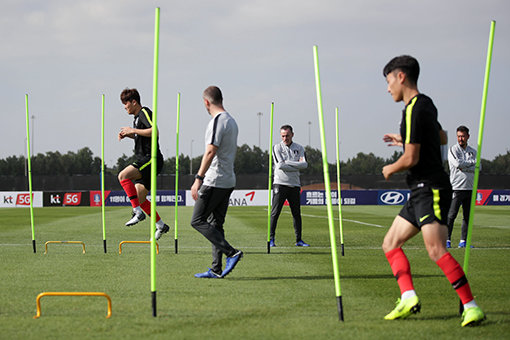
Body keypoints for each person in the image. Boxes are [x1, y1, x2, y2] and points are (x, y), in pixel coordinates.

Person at [380, 55, 484, 327]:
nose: (388, 87)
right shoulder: (425, 104)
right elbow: (440, 138)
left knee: (436, 249)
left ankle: (471, 306)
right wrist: (403, 137)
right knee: (390, 244)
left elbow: (411, 158)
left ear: (401, 77)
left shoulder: (413, 109)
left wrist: (391, 168)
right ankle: (408, 297)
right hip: (419, 191)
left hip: (431, 189)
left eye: (389, 81)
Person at [190, 86, 242, 279]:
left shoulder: (217, 121)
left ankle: (232, 252)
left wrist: (198, 179)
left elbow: (211, 151)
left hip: (215, 180)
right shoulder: (232, 121)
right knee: (216, 224)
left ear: (206, 102)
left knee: (197, 220)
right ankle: (216, 269)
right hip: (228, 180)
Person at [117, 88, 169, 240]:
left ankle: (137, 212)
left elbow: (155, 131)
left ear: (134, 102)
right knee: (140, 198)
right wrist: (130, 135)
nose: (124, 107)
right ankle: (160, 225)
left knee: (123, 176)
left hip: (150, 158)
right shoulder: (136, 118)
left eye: (126, 103)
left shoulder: (144, 112)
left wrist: (132, 130)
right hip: (145, 159)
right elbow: (144, 136)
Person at [269, 125, 309, 247]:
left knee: (296, 213)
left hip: (295, 184)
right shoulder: (277, 147)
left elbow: (304, 165)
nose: (285, 138)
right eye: (283, 136)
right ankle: (271, 239)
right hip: (280, 184)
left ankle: (299, 240)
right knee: (275, 212)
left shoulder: (299, 148)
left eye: (287, 135)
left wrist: (288, 163)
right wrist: (296, 164)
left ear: (292, 134)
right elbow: (280, 166)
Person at [447, 125, 477, 248]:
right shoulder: (453, 149)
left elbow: (478, 166)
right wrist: (471, 165)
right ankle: (447, 240)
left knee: (467, 216)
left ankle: (463, 241)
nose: (461, 139)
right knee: (451, 215)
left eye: (463, 136)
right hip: (456, 187)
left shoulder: (473, 151)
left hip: (470, 188)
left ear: (468, 136)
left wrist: (466, 166)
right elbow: (457, 163)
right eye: (459, 136)